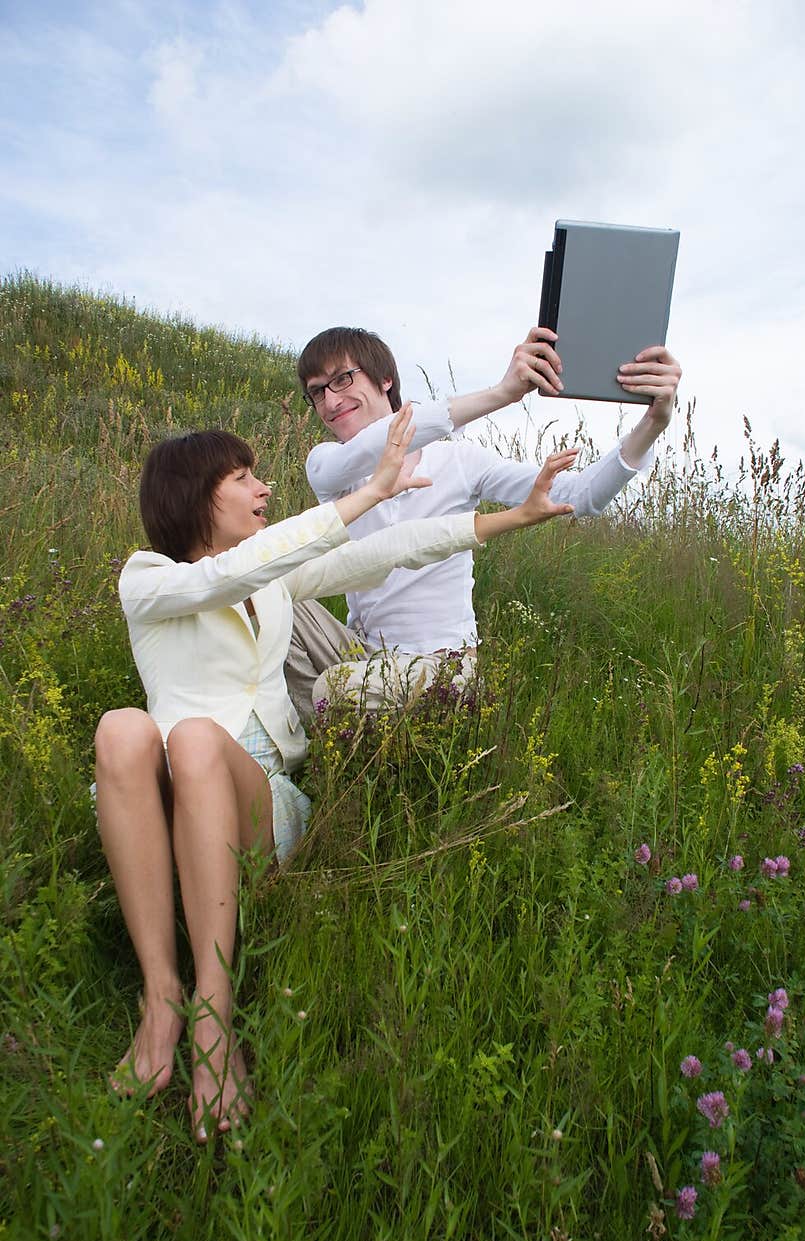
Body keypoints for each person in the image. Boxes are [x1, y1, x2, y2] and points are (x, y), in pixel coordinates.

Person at [94, 406, 578, 1142]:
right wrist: (367, 490)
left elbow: (390, 551)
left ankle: (213, 1020)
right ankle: (162, 996)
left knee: (194, 739)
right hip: (159, 797)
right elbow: (222, 577)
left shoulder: (276, 579)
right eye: (244, 476)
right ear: (197, 496)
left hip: (250, 800)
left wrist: (510, 518)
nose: (264, 487)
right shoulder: (148, 580)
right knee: (122, 727)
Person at [286, 326, 681, 720]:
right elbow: (377, 444)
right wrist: (501, 394)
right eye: (318, 392)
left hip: (440, 664)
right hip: (362, 649)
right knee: (269, 599)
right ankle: (320, 742)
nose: (330, 401)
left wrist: (653, 424)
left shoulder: (460, 462)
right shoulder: (327, 467)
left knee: (332, 688)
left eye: (342, 379)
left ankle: (332, 738)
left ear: (385, 378)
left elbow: (583, 496)